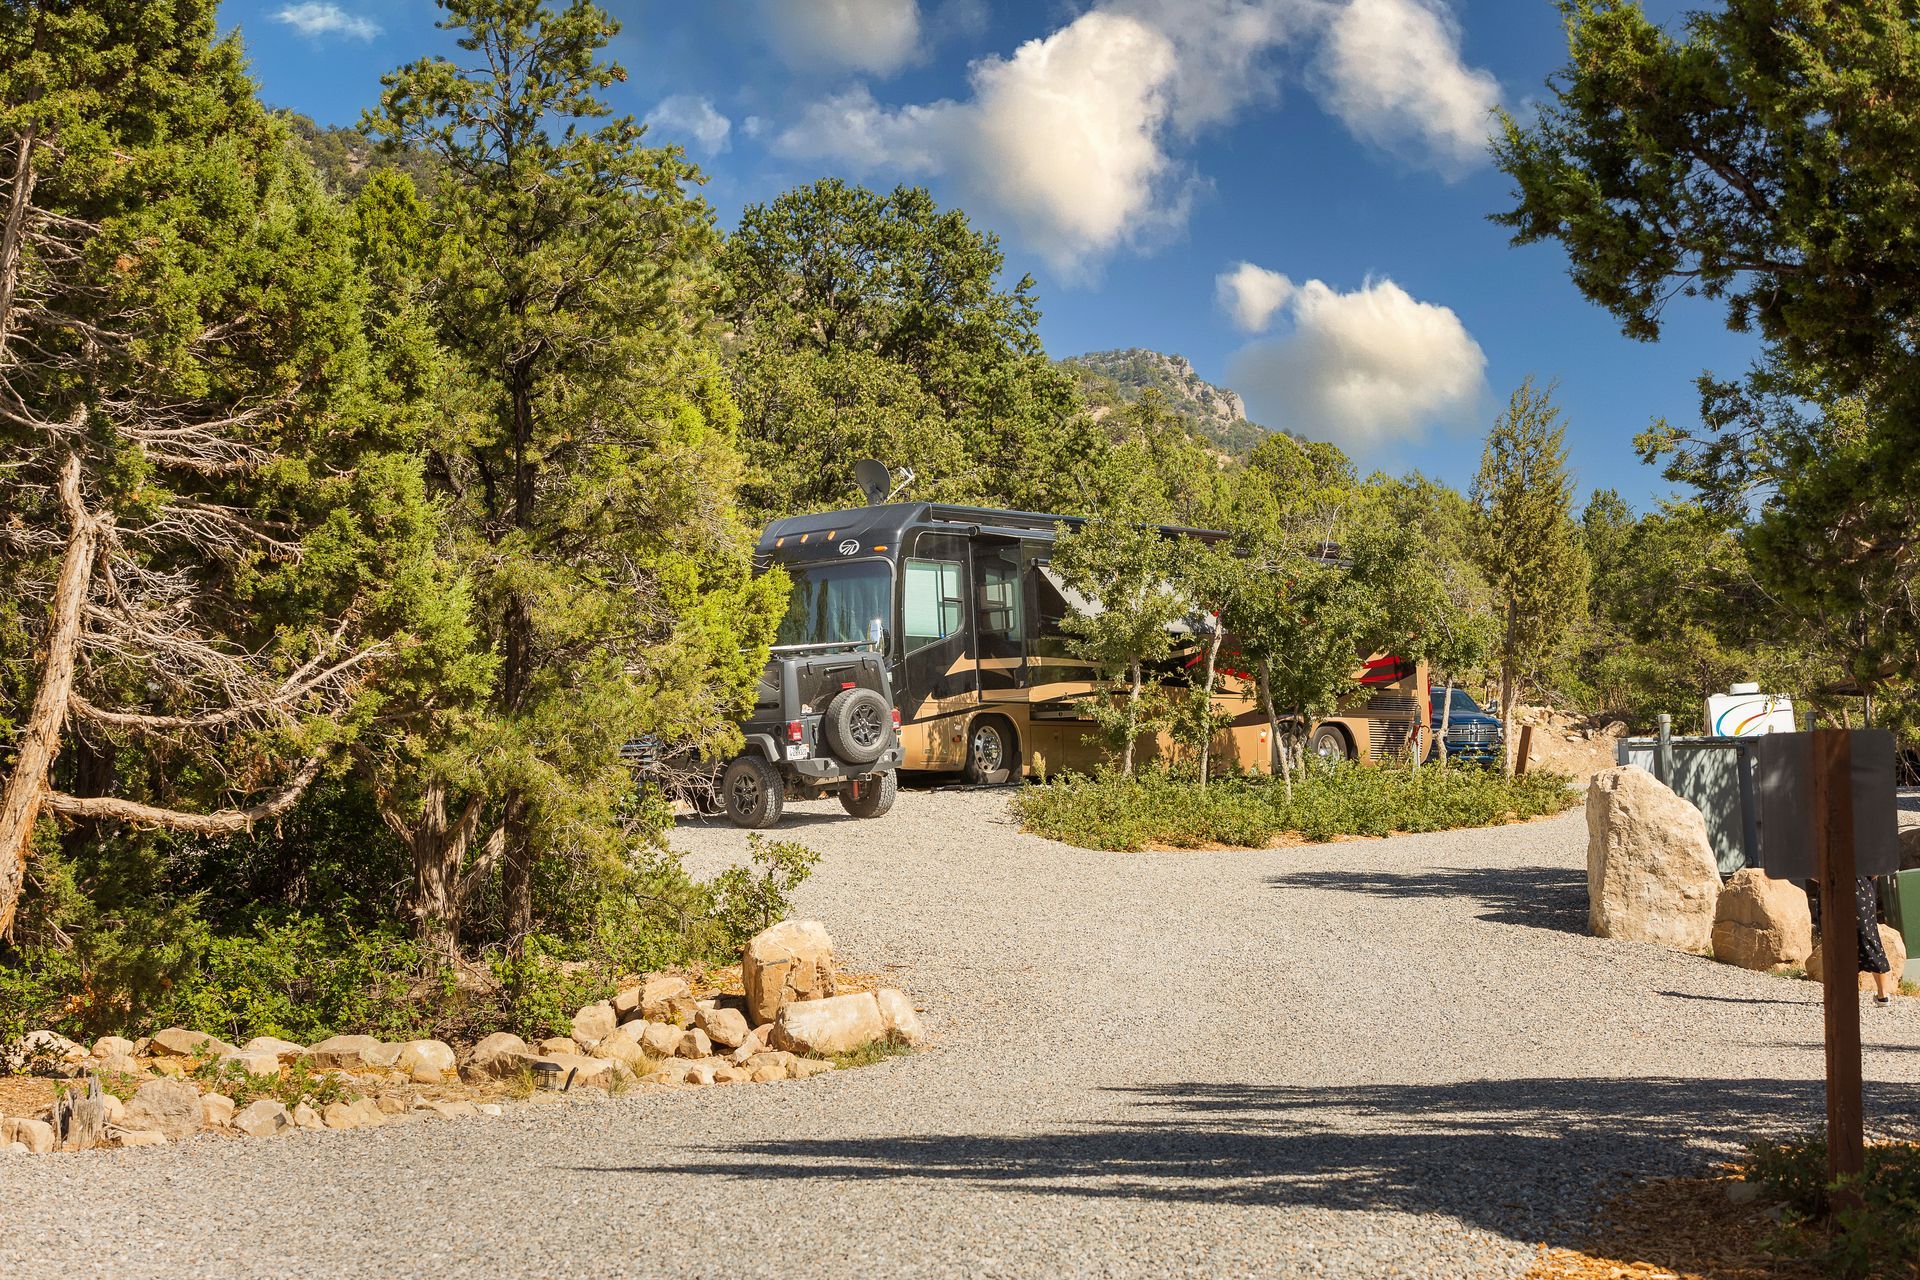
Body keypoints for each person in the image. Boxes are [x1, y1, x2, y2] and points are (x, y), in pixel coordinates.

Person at [1807, 876, 1896, 1004]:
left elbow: (1810, 868)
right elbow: (1877, 867)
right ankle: (1882, 995)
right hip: (1860, 886)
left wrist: (1824, 878)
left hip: (1832, 887)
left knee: (1839, 942)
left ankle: (1844, 996)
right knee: (1868, 939)